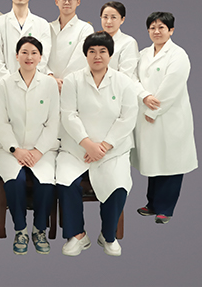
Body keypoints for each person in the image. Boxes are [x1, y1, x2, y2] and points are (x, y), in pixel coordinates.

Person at [56, 31, 138, 257]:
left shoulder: (124, 82)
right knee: (66, 182)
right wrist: (88, 144)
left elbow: (128, 117)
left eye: (102, 51)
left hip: (113, 150)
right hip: (76, 148)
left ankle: (108, 236)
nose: (97, 56)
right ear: (86, 55)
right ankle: (77, 235)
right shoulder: (73, 80)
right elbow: (68, 114)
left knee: (118, 186)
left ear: (110, 55)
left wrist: (104, 146)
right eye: (92, 51)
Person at [0, 36, 59, 255]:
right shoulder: (4, 84)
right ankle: (20, 229)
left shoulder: (49, 84)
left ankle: (39, 229)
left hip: (42, 149)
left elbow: (54, 122)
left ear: (40, 57)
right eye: (24, 52)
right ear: (16, 56)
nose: (29, 57)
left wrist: (39, 151)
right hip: (10, 149)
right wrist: (15, 149)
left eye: (34, 53)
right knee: (15, 181)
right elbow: (0, 122)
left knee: (46, 183)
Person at [131, 12, 198, 224]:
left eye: (161, 27)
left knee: (171, 163)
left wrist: (153, 110)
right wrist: (144, 96)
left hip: (169, 117)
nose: (156, 31)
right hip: (146, 114)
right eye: (152, 28)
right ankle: (152, 203)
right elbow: (132, 78)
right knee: (154, 161)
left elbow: (172, 87)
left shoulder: (178, 55)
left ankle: (165, 209)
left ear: (171, 30)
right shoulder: (143, 54)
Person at [0, 0, 51, 85]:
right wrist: (10, 80)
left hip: (33, 83)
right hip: (5, 84)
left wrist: (28, 78)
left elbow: (43, 58)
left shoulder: (42, 24)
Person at [48, 0, 94, 91]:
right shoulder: (47, 27)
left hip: (74, 85)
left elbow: (80, 60)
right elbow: (40, 56)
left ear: (78, 2)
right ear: (56, 2)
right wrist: (50, 77)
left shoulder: (85, 29)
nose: (67, 2)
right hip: (48, 83)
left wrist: (64, 82)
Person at [99, 1, 139, 79]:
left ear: (122, 20)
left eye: (113, 17)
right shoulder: (94, 41)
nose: (108, 21)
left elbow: (125, 74)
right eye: (105, 17)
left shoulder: (128, 42)